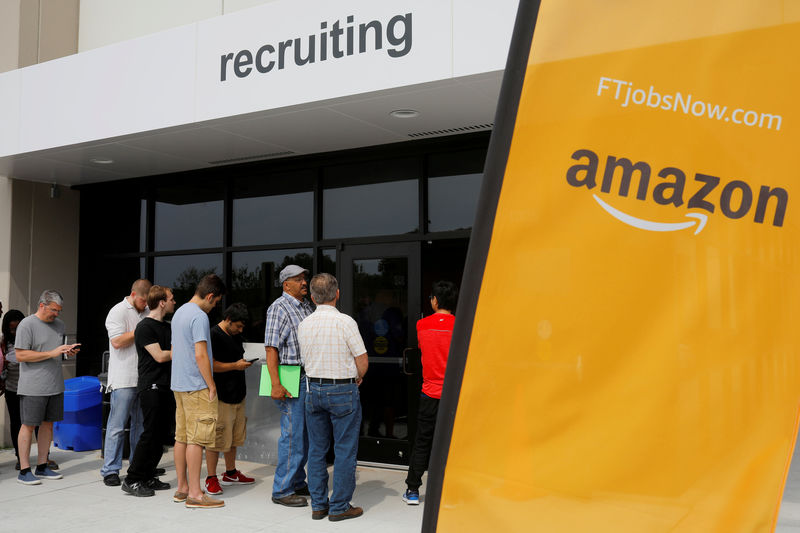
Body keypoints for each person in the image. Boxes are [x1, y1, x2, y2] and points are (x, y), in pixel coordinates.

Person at [298, 273, 368, 522]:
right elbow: (362, 360)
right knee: (345, 450)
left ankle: (318, 505)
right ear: (337, 294)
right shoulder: (346, 322)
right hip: (342, 390)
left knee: (317, 449)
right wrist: (358, 376)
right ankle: (339, 506)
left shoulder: (304, 324)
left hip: (313, 389)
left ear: (314, 297)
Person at [171, 274, 226, 509]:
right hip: (197, 385)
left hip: (179, 385)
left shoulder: (180, 312)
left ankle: (182, 488)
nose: (214, 307)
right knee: (197, 439)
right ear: (210, 295)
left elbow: (175, 349)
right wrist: (211, 384)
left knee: (181, 437)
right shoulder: (199, 316)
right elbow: (201, 354)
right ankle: (195, 493)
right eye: (215, 303)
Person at [15, 290, 80, 485]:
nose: (57, 314)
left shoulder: (59, 325)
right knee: (28, 426)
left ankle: (42, 466)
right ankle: (24, 470)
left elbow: (55, 353)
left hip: (55, 384)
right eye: (54, 310)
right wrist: (52, 353)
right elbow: (21, 356)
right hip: (32, 386)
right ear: (42, 305)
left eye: (59, 310)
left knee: (48, 425)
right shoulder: (26, 325)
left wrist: (67, 353)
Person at [402, 280, 458, 505]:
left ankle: (413, 490)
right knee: (451, 444)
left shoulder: (422, 325)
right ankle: (450, 491)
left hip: (429, 392)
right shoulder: (462, 325)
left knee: (422, 441)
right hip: (454, 395)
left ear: (435, 301)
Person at [264, 264, 314, 507]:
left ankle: (296, 481)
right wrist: (276, 383)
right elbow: (271, 348)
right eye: (299, 279)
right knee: (292, 435)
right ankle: (282, 490)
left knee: (303, 434)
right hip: (291, 376)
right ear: (286, 284)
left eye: (304, 278)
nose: (304, 282)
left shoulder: (305, 306)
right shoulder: (279, 308)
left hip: (308, 377)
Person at [121, 286, 176, 497]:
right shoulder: (144, 327)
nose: (174, 302)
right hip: (150, 386)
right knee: (150, 433)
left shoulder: (168, 327)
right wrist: (182, 349)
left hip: (166, 386)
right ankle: (133, 478)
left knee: (161, 435)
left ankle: (148, 475)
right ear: (162, 302)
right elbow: (160, 356)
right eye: (171, 299)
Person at [101, 279, 152, 487]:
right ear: (133, 295)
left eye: (147, 302)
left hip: (144, 378)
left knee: (141, 427)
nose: (145, 304)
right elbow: (117, 342)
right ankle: (110, 470)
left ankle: (136, 467)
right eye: (143, 300)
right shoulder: (117, 311)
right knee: (117, 426)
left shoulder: (148, 311)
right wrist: (142, 328)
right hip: (123, 378)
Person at [204, 302, 255, 496]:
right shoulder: (213, 335)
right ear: (227, 319)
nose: (240, 330)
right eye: (238, 326)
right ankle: (211, 478)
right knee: (216, 439)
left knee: (233, 437)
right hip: (221, 395)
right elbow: (211, 365)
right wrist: (235, 365)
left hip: (238, 394)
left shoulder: (236, 336)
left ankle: (231, 472)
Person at [2, 309, 26, 469]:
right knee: (16, 423)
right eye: (12, 329)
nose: (15, 332)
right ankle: (19, 457)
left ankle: (43, 459)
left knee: (36, 423)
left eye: (18, 328)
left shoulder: (29, 340)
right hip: (12, 388)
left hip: (31, 388)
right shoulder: (4, 342)